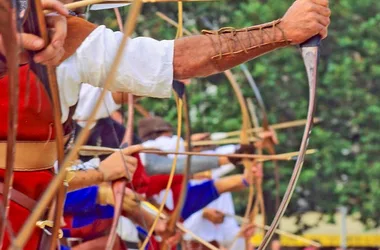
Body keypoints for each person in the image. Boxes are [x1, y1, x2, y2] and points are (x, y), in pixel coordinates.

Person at [0, 0, 330, 248]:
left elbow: (171, 64)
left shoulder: (56, 37)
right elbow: (177, 67)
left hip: (31, 223)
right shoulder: (56, 36)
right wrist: (282, 31)